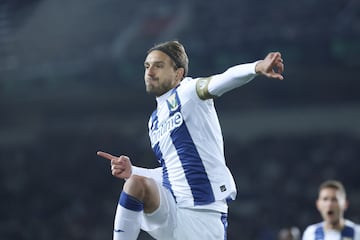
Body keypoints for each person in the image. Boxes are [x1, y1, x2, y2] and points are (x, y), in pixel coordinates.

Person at [97, 40, 284, 240]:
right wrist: (133, 171)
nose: (150, 72)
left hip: (203, 217)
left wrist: (256, 67)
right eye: (147, 66)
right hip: (172, 208)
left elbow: (223, 79)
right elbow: (173, 170)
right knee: (135, 184)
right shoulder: (154, 121)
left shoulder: (189, 91)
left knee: (136, 184)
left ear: (178, 73)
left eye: (158, 66)